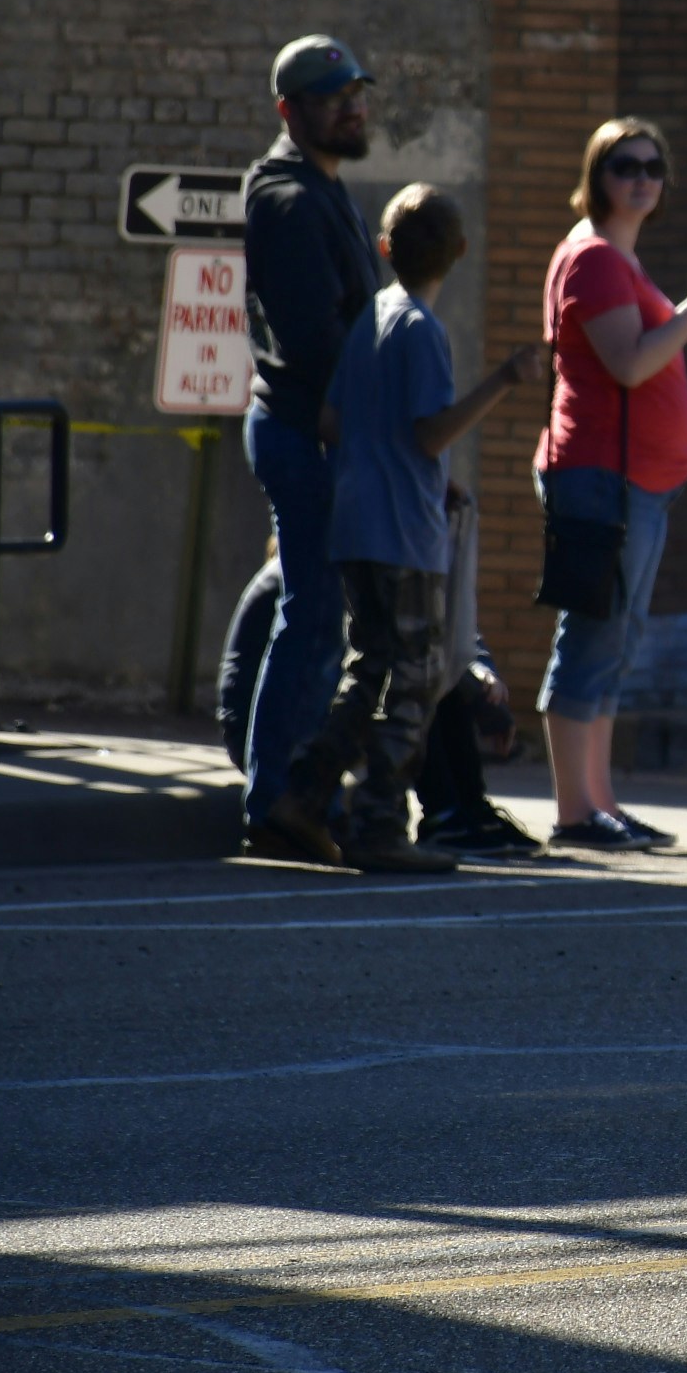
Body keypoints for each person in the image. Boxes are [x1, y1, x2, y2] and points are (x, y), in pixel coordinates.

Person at [260, 183, 543, 872]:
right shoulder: (421, 328)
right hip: (406, 537)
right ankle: (378, 823)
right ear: (461, 253)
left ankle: (302, 793)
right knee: (412, 686)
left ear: (385, 250)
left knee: (371, 673)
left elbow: (332, 423)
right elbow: (428, 433)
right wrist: (506, 377)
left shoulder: (370, 322)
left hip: (356, 527)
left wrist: (389, 457)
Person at [536, 118, 687, 850]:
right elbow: (628, 364)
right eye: (625, 165)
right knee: (591, 638)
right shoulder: (593, 260)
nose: (643, 177)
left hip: (636, 483)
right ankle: (573, 812)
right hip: (601, 477)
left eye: (654, 166)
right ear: (598, 175)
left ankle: (601, 803)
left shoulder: (617, 259)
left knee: (615, 642)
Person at [237, 35, 384, 860]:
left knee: (320, 618)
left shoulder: (324, 188)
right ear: (290, 111)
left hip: (323, 433)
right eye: (333, 96)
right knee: (315, 617)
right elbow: (316, 345)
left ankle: (291, 796)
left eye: (356, 91)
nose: (352, 105)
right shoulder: (290, 199)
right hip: (308, 433)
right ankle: (277, 800)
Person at [218, 538, 540, 858]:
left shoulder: (329, 562)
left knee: (428, 669)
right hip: (262, 731)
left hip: (289, 721)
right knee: (414, 672)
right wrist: (476, 689)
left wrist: (481, 675)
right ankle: (443, 815)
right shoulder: (335, 568)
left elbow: (448, 630)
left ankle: (465, 810)